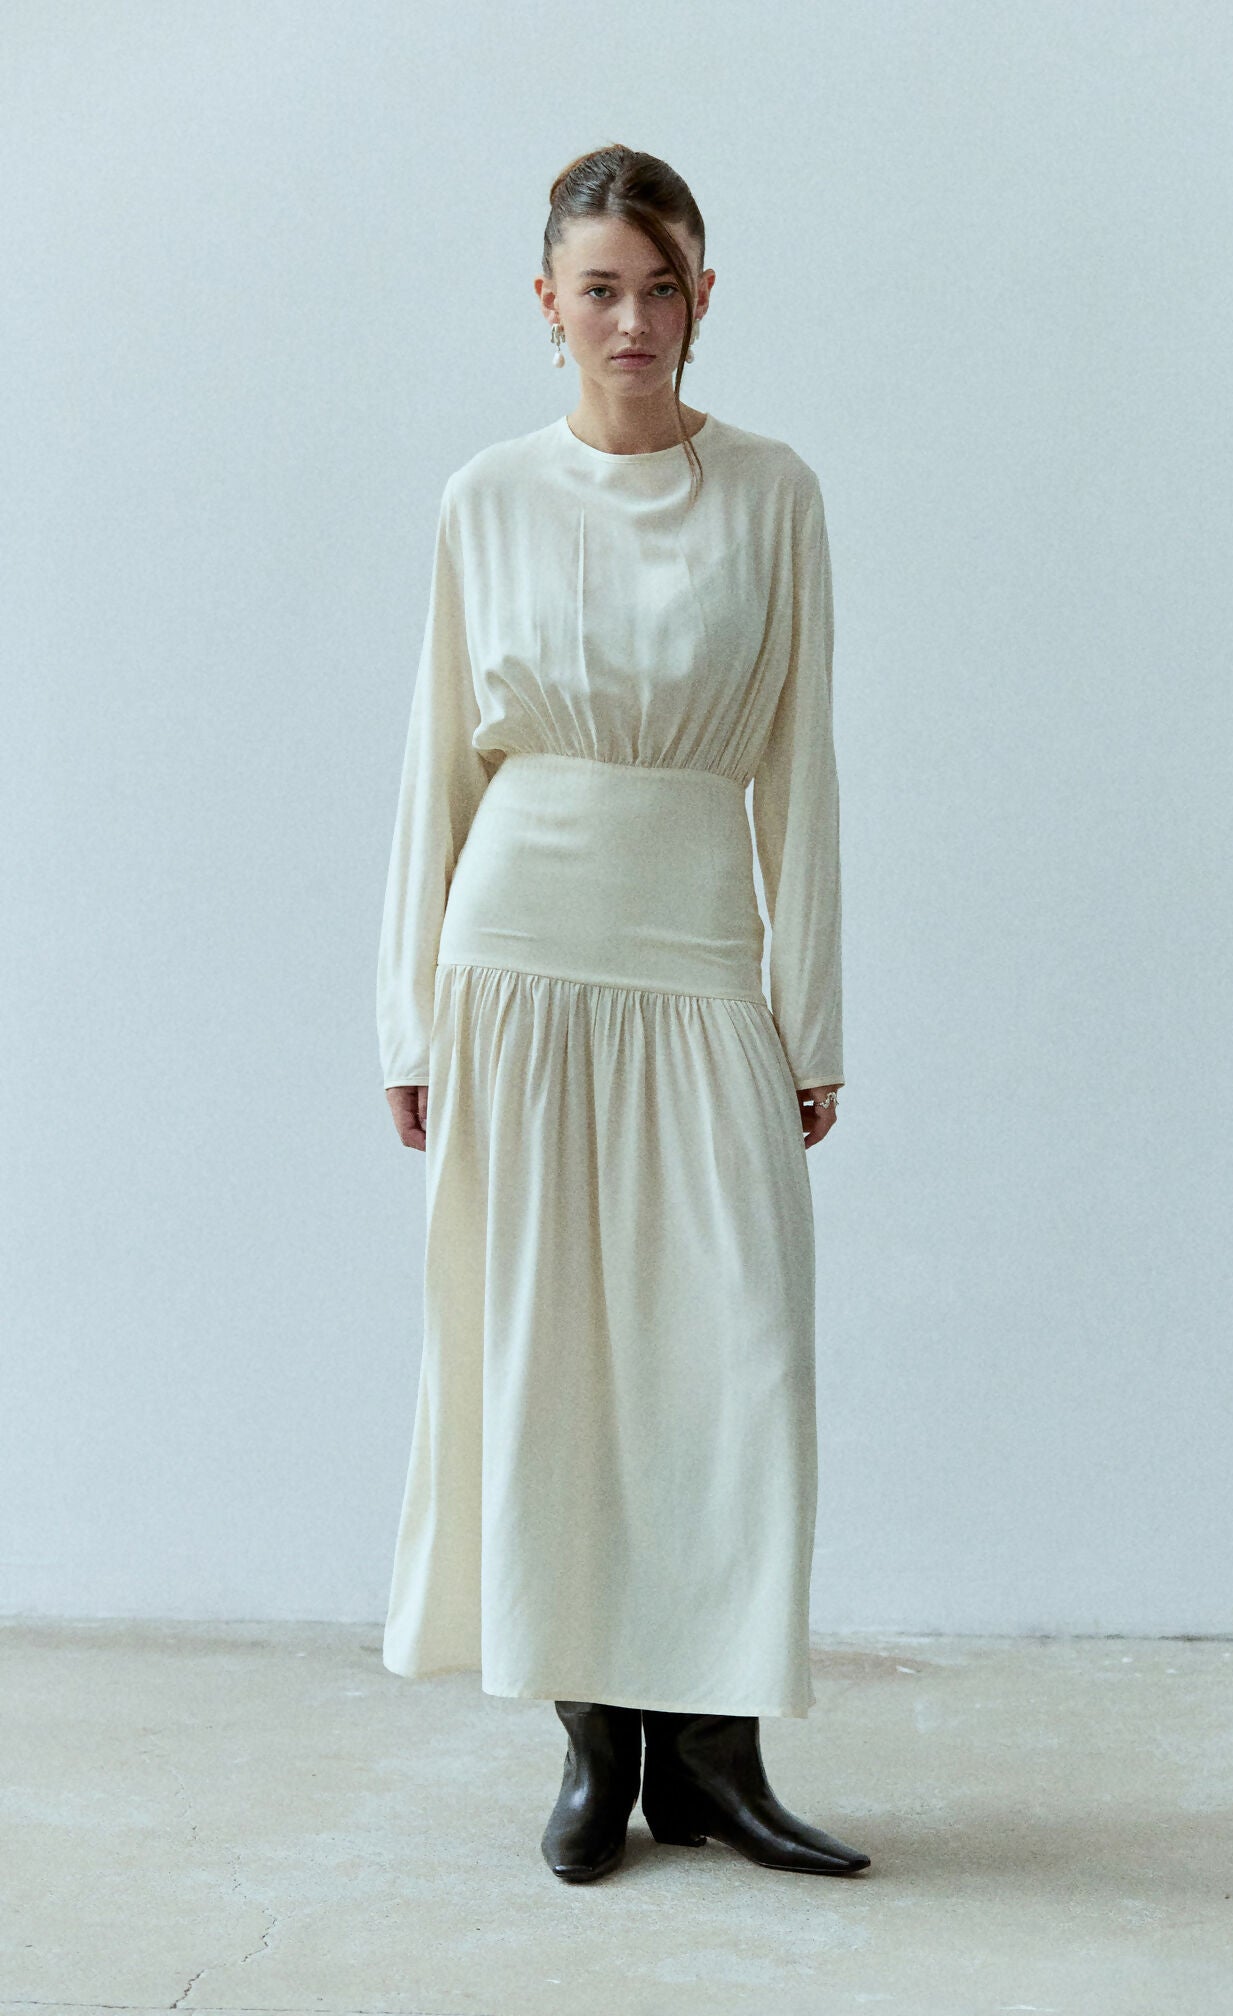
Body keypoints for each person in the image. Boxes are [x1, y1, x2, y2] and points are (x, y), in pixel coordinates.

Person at [376, 143, 868, 1883]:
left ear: (705, 296)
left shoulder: (775, 494)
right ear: (549, 303)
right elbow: (436, 766)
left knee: (733, 1364)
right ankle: (595, 1749)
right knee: (555, 1363)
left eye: (663, 288)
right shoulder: (487, 498)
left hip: (699, 955)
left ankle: (715, 1761)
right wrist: (408, 1020)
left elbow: (800, 768)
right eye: (602, 289)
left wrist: (808, 1015)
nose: (635, 321)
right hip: (518, 959)